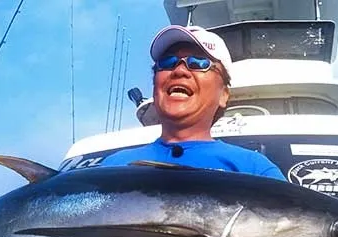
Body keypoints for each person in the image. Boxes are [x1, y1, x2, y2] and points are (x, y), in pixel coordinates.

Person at [102, 25, 286, 181]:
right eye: (167, 62)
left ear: (223, 95)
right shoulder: (109, 168)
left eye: (198, 62)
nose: (179, 70)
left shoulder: (257, 170)